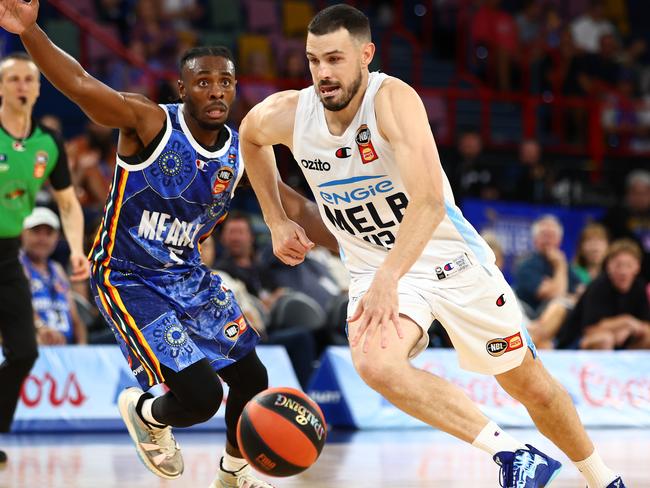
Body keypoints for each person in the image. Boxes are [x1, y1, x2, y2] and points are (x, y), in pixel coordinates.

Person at [239, 5, 625, 488]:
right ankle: (512, 454)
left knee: (528, 383)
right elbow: (249, 140)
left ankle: (603, 478)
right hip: (374, 267)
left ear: (366, 55)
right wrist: (275, 219)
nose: (323, 73)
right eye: (313, 60)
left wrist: (388, 277)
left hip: (449, 259)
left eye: (335, 59)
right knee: (376, 364)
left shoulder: (393, 100)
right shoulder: (290, 114)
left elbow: (427, 203)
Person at [0, 2, 336, 486]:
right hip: (127, 274)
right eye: (203, 81)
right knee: (199, 400)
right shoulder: (148, 122)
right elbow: (79, 85)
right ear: (183, 88)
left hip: (188, 276)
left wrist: (371, 249)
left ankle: (233, 473)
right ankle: (147, 413)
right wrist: (30, 30)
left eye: (225, 81)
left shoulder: (241, 152)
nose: (216, 90)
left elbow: (299, 208)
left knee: (251, 379)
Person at [0, 51, 86, 465]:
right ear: (0, 87)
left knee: (24, 352)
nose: (20, 86)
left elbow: (68, 205)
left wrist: (77, 249)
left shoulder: (47, 143)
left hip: (7, 254)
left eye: (27, 80)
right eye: (13, 79)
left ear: (37, 89)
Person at [557, 238, 650, 350]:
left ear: (637, 267)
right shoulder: (598, 287)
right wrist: (626, 322)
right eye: (618, 265)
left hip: (622, 342)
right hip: (576, 344)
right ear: (609, 266)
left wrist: (630, 329)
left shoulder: (640, 286)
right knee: (605, 339)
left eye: (628, 265)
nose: (623, 271)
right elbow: (589, 329)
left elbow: (646, 325)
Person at [20, 207, 87, 345]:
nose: (42, 239)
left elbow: (75, 319)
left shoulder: (57, 269)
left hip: (65, 350)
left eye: (48, 233)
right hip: (33, 345)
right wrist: (40, 327)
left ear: (57, 237)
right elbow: (16, 306)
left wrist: (82, 349)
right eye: (36, 232)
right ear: (23, 233)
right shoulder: (17, 265)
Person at [515, 215, 581, 316]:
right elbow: (556, 296)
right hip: (532, 318)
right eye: (544, 235)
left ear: (559, 241)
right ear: (535, 240)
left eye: (552, 236)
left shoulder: (568, 267)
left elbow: (581, 293)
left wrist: (555, 286)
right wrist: (560, 267)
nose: (548, 240)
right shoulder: (526, 266)